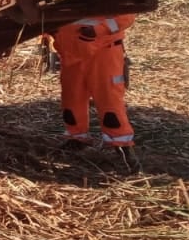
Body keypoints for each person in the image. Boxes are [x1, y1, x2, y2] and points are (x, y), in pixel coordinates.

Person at [53, 14, 137, 155]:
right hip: (70, 52)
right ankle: (76, 137)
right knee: (71, 98)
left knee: (108, 97)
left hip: (103, 51)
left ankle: (119, 143)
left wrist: (98, 29)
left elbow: (126, 16)